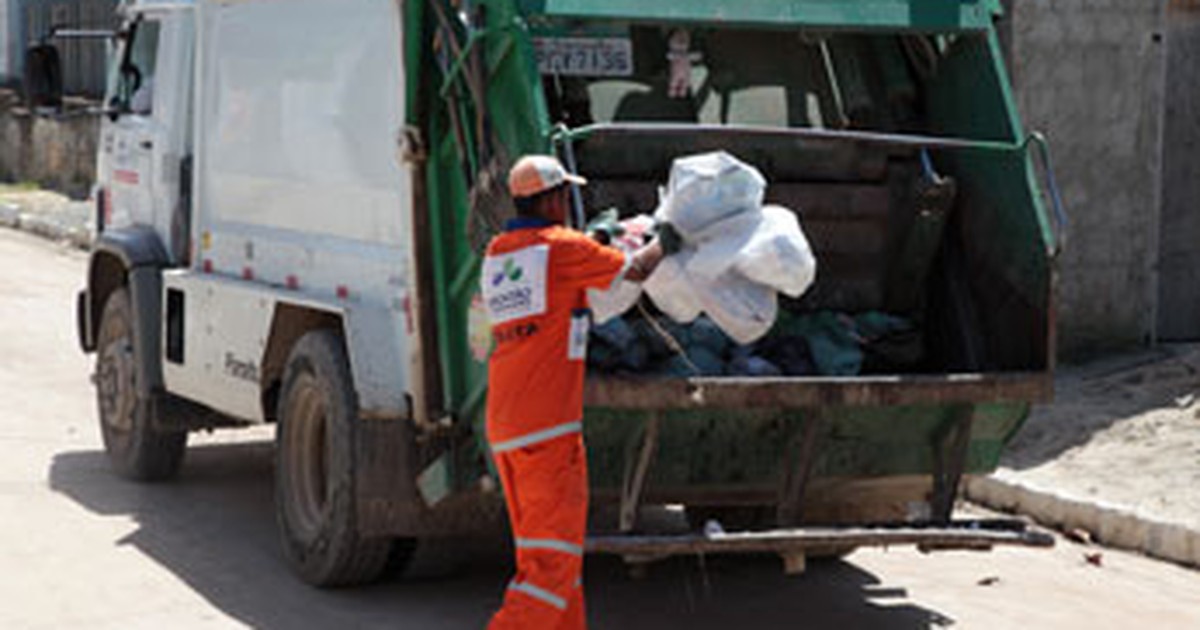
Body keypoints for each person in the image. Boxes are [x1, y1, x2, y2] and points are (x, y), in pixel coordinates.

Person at [481, 155, 665, 629]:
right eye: (565, 194)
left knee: (551, 558)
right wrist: (673, 239)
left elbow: (490, 329)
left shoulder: (499, 252)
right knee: (551, 570)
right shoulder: (561, 248)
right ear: (552, 198)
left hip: (507, 425)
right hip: (548, 429)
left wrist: (596, 240)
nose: (568, 202)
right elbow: (638, 270)